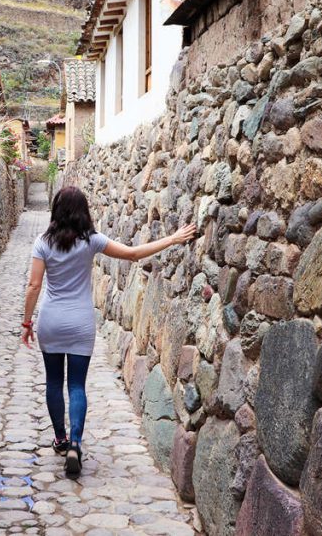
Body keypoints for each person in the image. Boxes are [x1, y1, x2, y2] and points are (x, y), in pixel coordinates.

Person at [21, 186, 196, 478]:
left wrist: (27, 322)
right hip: (80, 322)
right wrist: (173, 238)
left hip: (51, 321)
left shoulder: (42, 242)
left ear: (56, 210)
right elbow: (133, 254)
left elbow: (34, 286)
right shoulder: (91, 241)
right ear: (83, 212)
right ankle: (76, 443)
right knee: (76, 385)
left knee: (53, 381)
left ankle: (61, 440)